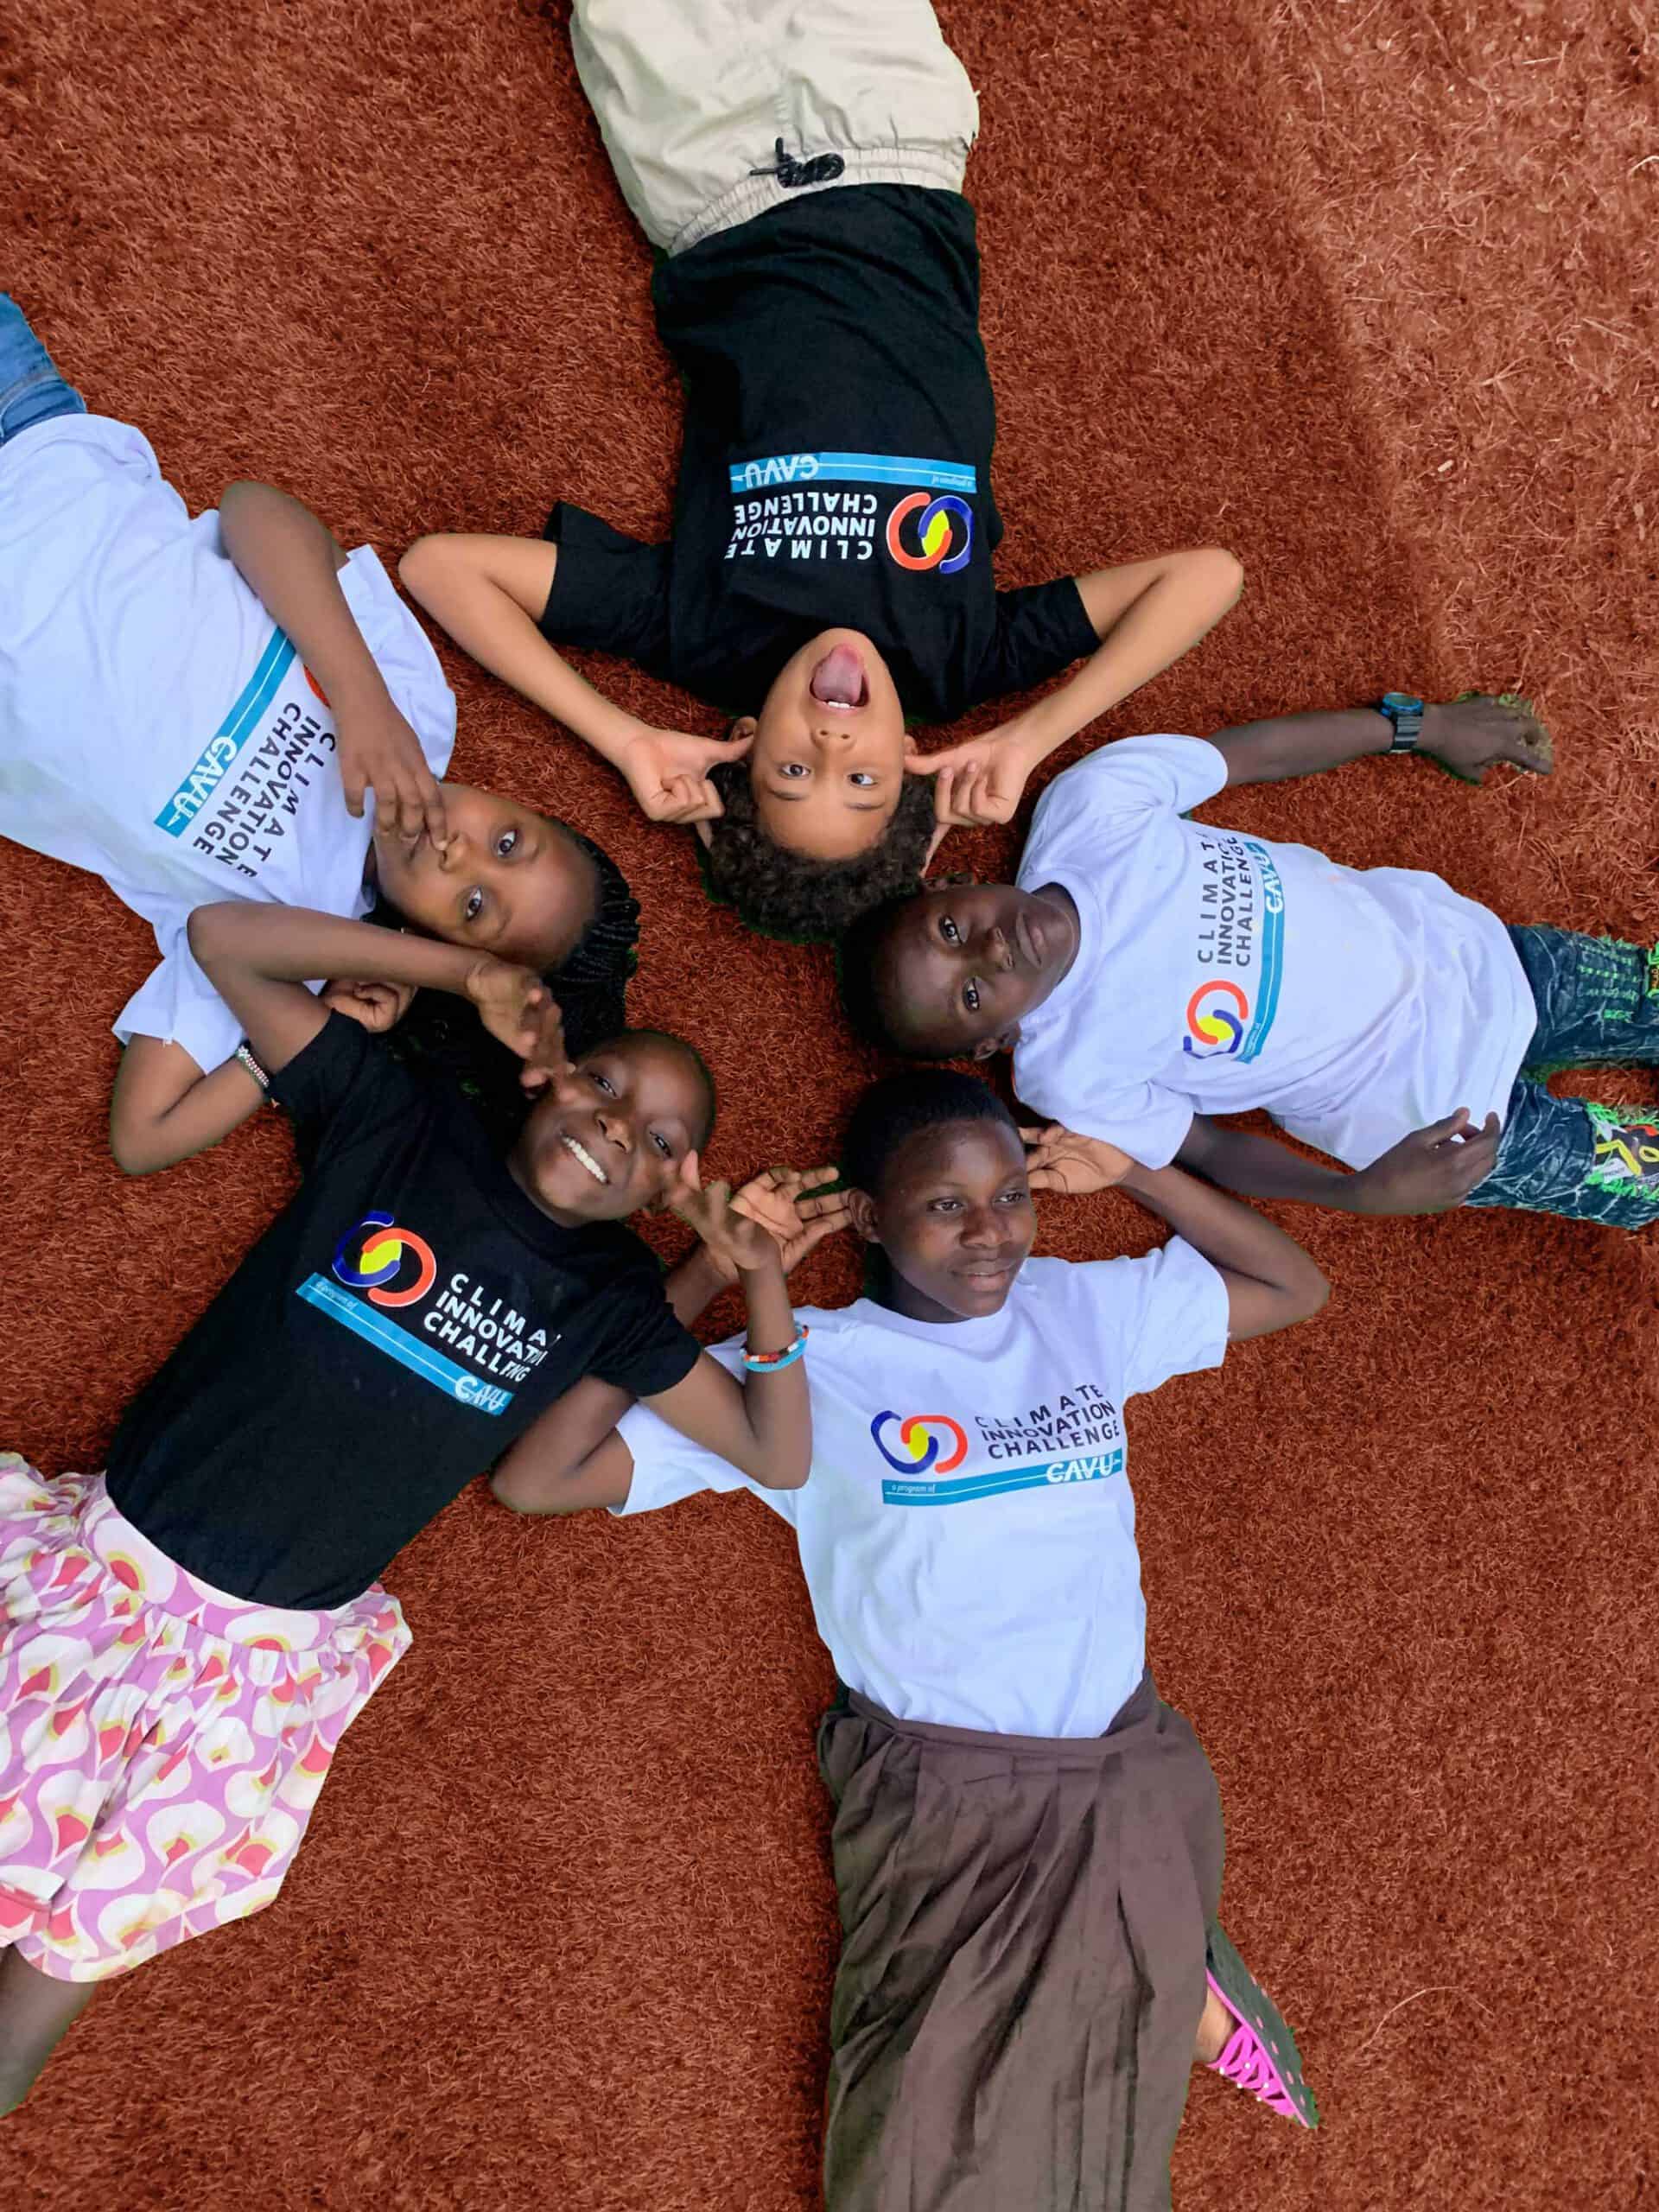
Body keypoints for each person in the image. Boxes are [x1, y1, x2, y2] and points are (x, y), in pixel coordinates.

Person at [0, 898, 814, 2114]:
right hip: (104, 1574)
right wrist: (468, 973)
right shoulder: (403, 1123)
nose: (613, 1127)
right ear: (549, 1075)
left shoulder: (617, 1304)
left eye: (657, 1140)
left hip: (254, 1677)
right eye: (604, 1083)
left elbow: (775, 1452)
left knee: (40, 1996)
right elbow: (226, 942)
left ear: (669, 1190)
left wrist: (751, 1277)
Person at [491, 1071, 1330, 2209]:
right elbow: (541, 1477)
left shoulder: (1080, 1312)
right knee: (913, 2151)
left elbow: (1291, 1282)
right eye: (946, 1205)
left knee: (1110, 2139)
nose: (992, 1236)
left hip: (1120, 1765)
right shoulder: (810, 1370)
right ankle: (1168, 1964)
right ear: (874, 1219)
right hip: (949, 1807)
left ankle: (1167, 1972)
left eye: (1010, 1199)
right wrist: (719, 1270)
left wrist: (1134, 1171)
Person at [397, 0, 1245, 941]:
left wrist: (623, 738)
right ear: (916, 758)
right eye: (866, 780)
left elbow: (441, 568)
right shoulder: (960, 659)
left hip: (710, 172)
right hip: (895, 140)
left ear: (744, 743)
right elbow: (1208, 577)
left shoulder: (700, 635)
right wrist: (1035, 732)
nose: (833, 742)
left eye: (794, 773)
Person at [0, 293, 640, 1174]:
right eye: (507, 839)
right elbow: (252, 510)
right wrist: (359, 695)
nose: (463, 854)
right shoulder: (415, 709)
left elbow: (141, 1138)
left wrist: (385, 999)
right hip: (33, 452)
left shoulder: (301, 945)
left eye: (475, 907)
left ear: (432, 943)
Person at [840, 693, 1657, 1230]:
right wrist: (1358, 1194)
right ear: (995, 1040)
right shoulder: (1066, 1075)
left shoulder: (1087, 811)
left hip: (1482, 957)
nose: (991, 949)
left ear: (950, 881)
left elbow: (1249, 755)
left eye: (951, 931)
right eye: (976, 994)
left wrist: (1424, 727)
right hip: (1443, 1125)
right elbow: (1204, 1146)